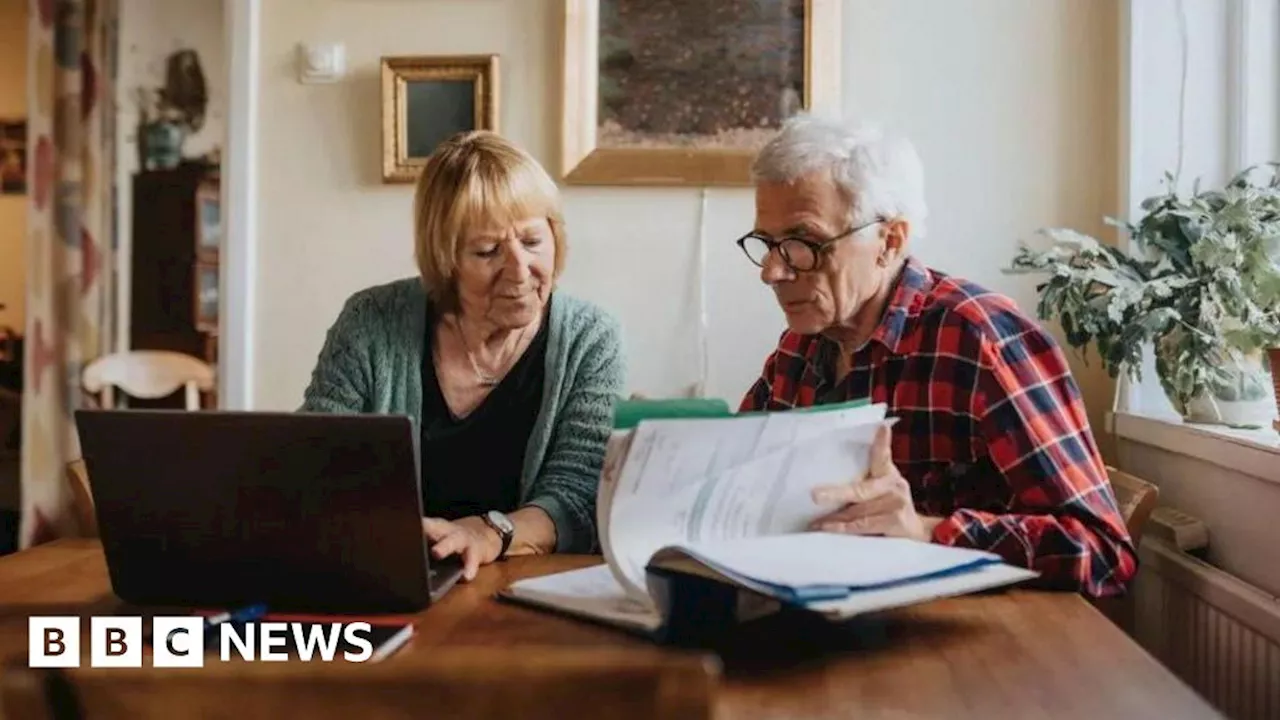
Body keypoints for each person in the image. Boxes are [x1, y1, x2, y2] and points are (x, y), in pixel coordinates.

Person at [736, 115, 1137, 598]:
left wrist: (927, 531)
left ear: (890, 241)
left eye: (803, 243)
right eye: (768, 244)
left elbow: (1103, 551)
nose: (773, 271)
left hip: (976, 644)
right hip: (835, 617)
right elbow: (741, 486)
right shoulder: (799, 347)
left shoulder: (982, 339)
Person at [302, 131, 625, 581]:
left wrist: (489, 533)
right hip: (389, 575)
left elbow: (577, 496)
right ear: (444, 259)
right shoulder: (371, 320)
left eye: (532, 242)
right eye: (487, 251)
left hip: (527, 585)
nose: (519, 270)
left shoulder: (590, 338)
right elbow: (314, 464)